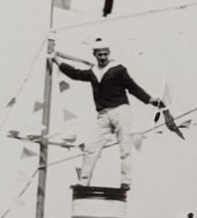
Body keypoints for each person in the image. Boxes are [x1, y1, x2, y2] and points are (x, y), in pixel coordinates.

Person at [53, 39, 166, 191]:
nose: (103, 57)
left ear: (109, 54)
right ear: (94, 54)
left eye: (105, 54)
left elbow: (132, 87)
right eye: (100, 54)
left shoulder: (118, 69)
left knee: (125, 146)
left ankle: (126, 181)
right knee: (91, 147)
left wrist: (149, 99)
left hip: (120, 110)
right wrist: (56, 59)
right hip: (103, 115)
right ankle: (83, 182)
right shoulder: (93, 72)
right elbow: (75, 74)